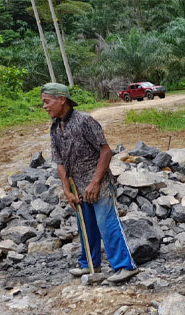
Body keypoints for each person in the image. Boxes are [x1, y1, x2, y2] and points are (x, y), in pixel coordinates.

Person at [41, 83, 138, 284]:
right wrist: (67, 190)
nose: (44, 106)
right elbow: (59, 162)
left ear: (62, 100)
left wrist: (95, 182)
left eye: (47, 102)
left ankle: (124, 266)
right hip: (77, 187)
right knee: (86, 225)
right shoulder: (55, 128)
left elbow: (106, 151)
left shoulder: (84, 121)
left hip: (98, 183)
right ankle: (90, 264)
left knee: (106, 222)